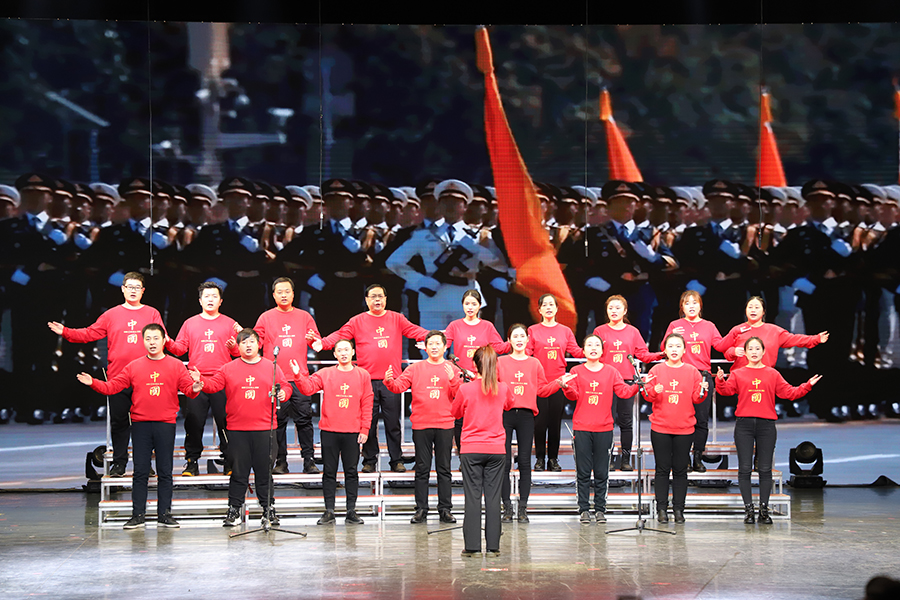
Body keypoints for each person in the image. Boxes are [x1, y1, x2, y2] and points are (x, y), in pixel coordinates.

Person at [76, 323, 203, 529]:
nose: (152, 342)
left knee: (165, 471)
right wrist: (94, 383)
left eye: (156, 338)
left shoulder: (176, 365)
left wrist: (196, 386)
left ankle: (165, 514)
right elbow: (112, 387)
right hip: (141, 425)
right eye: (148, 339)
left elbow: (188, 390)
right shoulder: (134, 366)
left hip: (165, 424)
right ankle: (138, 515)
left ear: (164, 341)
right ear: (143, 341)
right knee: (141, 472)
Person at [48, 271, 165, 476]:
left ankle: (145, 464)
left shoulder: (151, 313)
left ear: (143, 291)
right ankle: (119, 463)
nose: (133, 291)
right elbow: (90, 333)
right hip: (118, 377)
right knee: (119, 421)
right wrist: (66, 332)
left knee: (145, 423)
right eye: (129, 287)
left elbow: (164, 339)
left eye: (137, 287)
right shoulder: (111, 314)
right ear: (122, 289)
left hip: (147, 376)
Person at [315, 283, 428, 473]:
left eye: (380, 296)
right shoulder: (357, 321)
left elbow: (415, 331)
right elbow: (341, 335)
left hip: (391, 380)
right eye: (373, 297)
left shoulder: (396, 318)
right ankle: (369, 460)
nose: (377, 300)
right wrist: (323, 343)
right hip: (366, 380)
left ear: (386, 299)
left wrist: (435, 338)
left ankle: (396, 460)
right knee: (369, 423)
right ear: (366, 300)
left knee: (393, 423)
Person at [715, 336, 821, 525]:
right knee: (745, 469)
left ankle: (764, 509)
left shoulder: (772, 374)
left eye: (758, 348)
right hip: (744, 425)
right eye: (750, 349)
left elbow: (789, 393)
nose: (754, 352)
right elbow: (726, 391)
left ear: (764, 352)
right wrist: (721, 381)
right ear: (745, 353)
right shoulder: (738, 373)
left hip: (766, 426)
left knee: (765, 469)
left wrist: (807, 386)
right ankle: (749, 510)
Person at [202, 328, 290, 528]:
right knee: (239, 472)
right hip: (237, 428)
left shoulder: (271, 366)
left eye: (251, 341)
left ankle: (268, 510)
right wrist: (200, 380)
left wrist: (284, 393)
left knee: (264, 472)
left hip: (265, 428)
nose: (248, 345)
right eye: (243, 342)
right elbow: (213, 386)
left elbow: (285, 386)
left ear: (259, 344)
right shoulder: (228, 368)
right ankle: (234, 509)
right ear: (238, 346)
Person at [560, 334, 647, 524]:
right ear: (583, 350)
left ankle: (600, 509)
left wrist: (637, 386)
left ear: (602, 350)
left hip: (604, 428)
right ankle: (583, 509)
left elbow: (623, 392)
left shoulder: (611, 371)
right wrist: (566, 387)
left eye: (597, 345)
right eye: (589, 345)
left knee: (601, 472)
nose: (593, 348)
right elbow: (573, 395)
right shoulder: (576, 370)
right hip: (582, 427)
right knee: (582, 472)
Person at [292, 339, 373, 526]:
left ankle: (351, 511)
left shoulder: (363, 375)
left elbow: (367, 403)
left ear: (353, 352)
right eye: (339, 350)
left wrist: (365, 429)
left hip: (352, 431)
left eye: (347, 349)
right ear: (334, 354)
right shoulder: (326, 373)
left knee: (351, 472)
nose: (343, 353)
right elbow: (307, 388)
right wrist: (298, 375)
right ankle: (329, 511)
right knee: (329, 471)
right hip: (329, 430)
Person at [383, 330, 460, 524]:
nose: (434, 347)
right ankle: (421, 509)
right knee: (422, 469)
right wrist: (389, 381)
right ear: (425, 347)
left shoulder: (452, 368)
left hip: (444, 424)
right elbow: (398, 387)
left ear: (445, 347)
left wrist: (452, 379)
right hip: (422, 424)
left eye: (438, 343)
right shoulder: (414, 368)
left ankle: (445, 509)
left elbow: (459, 396)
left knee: (444, 469)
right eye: (430, 344)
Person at [164, 281, 240, 476]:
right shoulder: (190, 323)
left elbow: (240, 354)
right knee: (194, 421)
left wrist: (233, 347)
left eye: (214, 296)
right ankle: (192, 462)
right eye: (206, 296)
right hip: (196, 382)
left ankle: (230, 461)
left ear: (221, 301)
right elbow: (180, 349)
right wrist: (168, 342)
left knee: (226, 421)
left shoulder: (230, 323)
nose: (210, 300)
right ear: (200, 300)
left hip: (223, 381)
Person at [254, 277, 322, 475]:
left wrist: (314, 340)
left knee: (304, 422)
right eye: (279, 292)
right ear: (273, 295)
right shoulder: (265, 317)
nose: (284, 295)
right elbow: (255, 342)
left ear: (293, 294)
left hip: (300, 379)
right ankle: (280, 462)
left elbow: (315, 341)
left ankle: (309, 461)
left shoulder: (305, 316)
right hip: (274, 380)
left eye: (287, 291)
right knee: (278, 423)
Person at [451, 346, 514, 557]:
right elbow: (510, 404)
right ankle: (494, 546)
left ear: (474, 365)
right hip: (496, 449)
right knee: (493, 497)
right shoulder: (502, 387)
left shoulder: (465, 389)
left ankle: (472, 547)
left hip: (471, 448)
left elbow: (455, 412)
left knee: (473, 497)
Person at [498, 323, 562, 523]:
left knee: (525, 462)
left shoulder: (535, 363)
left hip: (526, 416)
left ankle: (523, 507)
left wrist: (558, 384)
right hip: (505, 415)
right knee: (504, 462)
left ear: (527, 340)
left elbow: (542, 390)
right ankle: (507, 507)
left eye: (522, 336)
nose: (518, 339)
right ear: (509, 340)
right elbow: (493, 387)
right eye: (514, 336)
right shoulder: (500, 362)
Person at [593, 295, 665, 471]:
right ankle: (607, 458)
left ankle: (626, 458)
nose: (614, 311)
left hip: (626, 381)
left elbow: (643, 354)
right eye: (611, 308)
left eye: (618, 308)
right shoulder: (600, 331)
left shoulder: (632, 332)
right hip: (604, 381)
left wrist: (661, 355)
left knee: (626, 421)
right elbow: (592, 353)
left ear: (625, 311)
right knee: (605, 421)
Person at [642, 333, 708, 523]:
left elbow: (697, 398)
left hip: (684, 428)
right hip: (661, 427)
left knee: (680, 470)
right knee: (662, 469)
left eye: (678, 346)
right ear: (665, 350)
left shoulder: (693, 371)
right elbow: (647, 395)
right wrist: (654, 390)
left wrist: (702, 391)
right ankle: (661, 508)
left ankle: (679, 509)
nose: (674, 350)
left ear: (684, 350)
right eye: (670, 346)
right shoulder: (656, 370)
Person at [662, 290, 731, 472]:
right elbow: (663, 348)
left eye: (694, 302)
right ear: (681, 307)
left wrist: (736, 342)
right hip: (680, 375)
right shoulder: (675, 325)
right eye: (687, 303)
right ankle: (682, 457)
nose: (691, 306)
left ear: (700, 306)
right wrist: (671, 336)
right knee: (681, 419)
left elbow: (721, 345)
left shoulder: (708, 326)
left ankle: (698, 457)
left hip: (703, 376)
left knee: (701, 420)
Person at [443, 289, 510, 450]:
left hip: (481, 378)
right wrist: (430, 345)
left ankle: (481, 450)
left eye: (474, 304)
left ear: (480, 306)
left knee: (481, 416)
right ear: (462, 306)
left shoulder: (487, 326)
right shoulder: (455, 325)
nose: (470, 307)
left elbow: (499, 347)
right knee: (460, 419)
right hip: (460, 378)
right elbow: (445, 344)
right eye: (467, 304)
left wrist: (514, 342)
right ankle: (463, 453)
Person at [526, 293, 584, 472]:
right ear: (539, 309)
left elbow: (576, 352)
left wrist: (597, 348)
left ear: (557, 308)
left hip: (559, 382)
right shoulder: (533, 330)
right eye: (545, 305)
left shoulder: (565, 331)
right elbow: (527, 352)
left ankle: (553, 459)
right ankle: (540, 459)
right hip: (539, 383)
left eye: (552, 304)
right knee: (539, 422)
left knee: (554, 423)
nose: (549, 307)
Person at [720, 296, 828, 370]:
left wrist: (816, 338)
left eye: (757, 307)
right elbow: (727, 352)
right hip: (740, 379)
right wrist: (733, 351)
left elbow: (795, 339)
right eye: (750, 307)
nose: (753, 310)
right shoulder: (737, 330)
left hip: (765, 378)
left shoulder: (773, 331)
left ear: (763, 312)